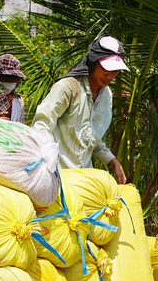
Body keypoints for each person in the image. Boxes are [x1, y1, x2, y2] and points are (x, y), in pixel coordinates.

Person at [32, 35, 128, 184]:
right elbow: (41, 126)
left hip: (83, 179)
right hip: (57, 177)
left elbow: (91, 139)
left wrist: (113, 161)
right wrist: (46, 166)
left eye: (115, 70)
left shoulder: (106, 95)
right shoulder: (68, 88)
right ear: (92, 62)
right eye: (105, 68)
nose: (110, 75)